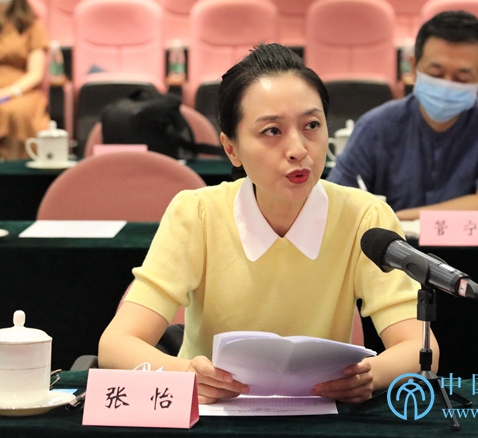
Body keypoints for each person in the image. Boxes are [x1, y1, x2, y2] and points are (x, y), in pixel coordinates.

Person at [98, 43, 438, 405]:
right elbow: (115, 346)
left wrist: (371, 376)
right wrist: (186, 376)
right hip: (213, 415)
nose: (298, 149)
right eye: (272, 131)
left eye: (311, 125)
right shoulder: (197, 213)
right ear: (231, 149)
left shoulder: (365, 217)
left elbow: (420, 348)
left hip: (319, 415)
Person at [327, 11, 478, 223]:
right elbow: (336, 202)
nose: (447, 85)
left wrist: (397, 219)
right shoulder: (375, 125)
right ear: (414, 67)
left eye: (462, 78)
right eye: (436, 74)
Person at [0, 0, 49, 160]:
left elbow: (35, 73)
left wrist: (10, 92)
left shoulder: (30, 24)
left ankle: (13, 168)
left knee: (14, 111)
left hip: (21, 91)